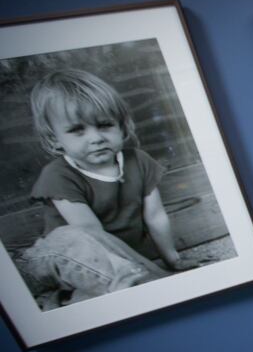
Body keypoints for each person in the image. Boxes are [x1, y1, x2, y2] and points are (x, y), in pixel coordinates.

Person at [17, 69, 198, 310]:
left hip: (110, 266)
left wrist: (173, 259)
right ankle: (156, 284)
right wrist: (154, 270)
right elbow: (91, 235)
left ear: (123, 128)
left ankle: (71, 302)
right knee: (73, 238)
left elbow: (155, 216)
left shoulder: (139, 161)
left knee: (108, 294)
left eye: (104, 125)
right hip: (61, 257)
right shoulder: (58, 175)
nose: (95, 138)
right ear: (54, 139)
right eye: (77, 130)